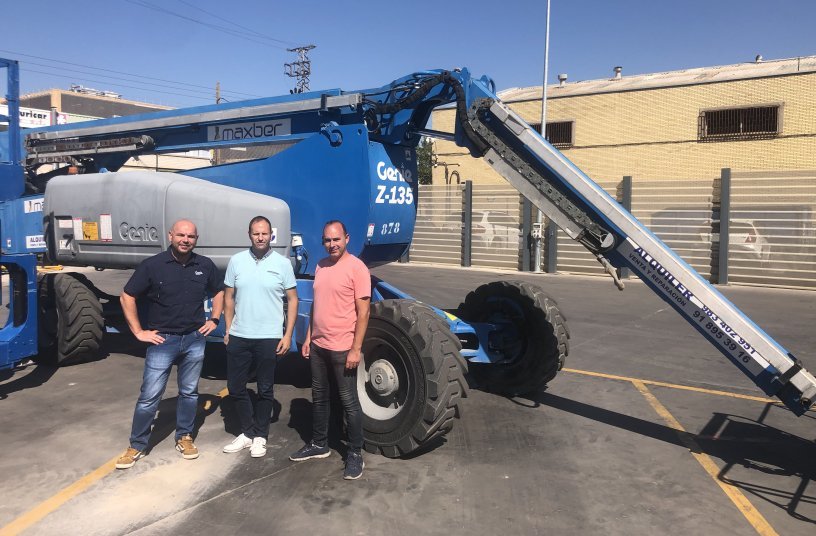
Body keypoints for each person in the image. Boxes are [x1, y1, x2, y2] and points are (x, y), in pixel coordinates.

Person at [116, 219, 224, 470]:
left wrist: (215, 319)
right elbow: (127, 296)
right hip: (163, 340)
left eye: (191, 236)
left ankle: (184, 436)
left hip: (194, 339)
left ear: (196, 239)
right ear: (170, 236)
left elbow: (218, 291)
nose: (186, 240)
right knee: (150, 397)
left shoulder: (204, 265)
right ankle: (137, 444)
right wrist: (138, 331)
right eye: (181, 235)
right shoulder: (153, 266)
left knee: (189, 392)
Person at [289, 220, 370, 480]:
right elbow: (317, 304)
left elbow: (364, 312)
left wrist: (356, 349)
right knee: (320, 397)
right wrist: (308, 338)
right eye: (327, 240)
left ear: (346, 238)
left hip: (343, 347)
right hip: (319, 346)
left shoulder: (357, 268)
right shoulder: (321, 266)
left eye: (336, 239)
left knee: (349, 402)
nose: (332, 244)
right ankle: (319, 444)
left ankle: (355, 453)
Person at [222, 216, 298, 458]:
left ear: (271, 236)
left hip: (269, 336)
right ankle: (246, 432)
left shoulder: (283, 263)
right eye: (256, 233)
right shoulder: (236, 261)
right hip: (240, 334)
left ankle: (260, 436)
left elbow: (293, 300)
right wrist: (227, 328)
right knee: (235, 387)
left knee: (265, 389)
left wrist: (287, 335)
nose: (261, 237)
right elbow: (229, 297)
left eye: (265, 233)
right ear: (249, 234)